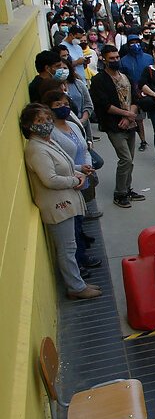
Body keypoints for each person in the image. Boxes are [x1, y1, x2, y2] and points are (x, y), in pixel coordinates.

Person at [20, 103, 99, 299]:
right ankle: (75, 287)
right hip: (57, 206)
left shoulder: (47, 142)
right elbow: (50, 179)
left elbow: (64, 164)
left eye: (48, 119)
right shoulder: (36, 149)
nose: (46, 123)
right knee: (67, 248)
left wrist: (80, 170)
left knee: (70, 245)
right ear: (29, 126)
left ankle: (77, 282)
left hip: (65, 202)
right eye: (40, 121)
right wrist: (75, 180)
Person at [90, 45, 145, 208]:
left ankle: (127, 189)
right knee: (125, 159)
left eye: (117, 57)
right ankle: (119, 193)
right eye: (111, 58)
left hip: (130, 124)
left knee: (130, 159)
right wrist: (125, 114)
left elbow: (135, 99)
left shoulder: (125, 76)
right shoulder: (99, 80)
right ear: (104, 60)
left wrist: (130, 115)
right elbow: (103, 104)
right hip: (114, 125)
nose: (115, 61)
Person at [120, 34, 153, 152]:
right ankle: (143, 140)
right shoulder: (123, 61)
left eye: (137, 42)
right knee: (139, 119)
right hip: (134, 93)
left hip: (150, 91)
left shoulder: (149, 58)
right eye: (132, 42)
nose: (135, 45)